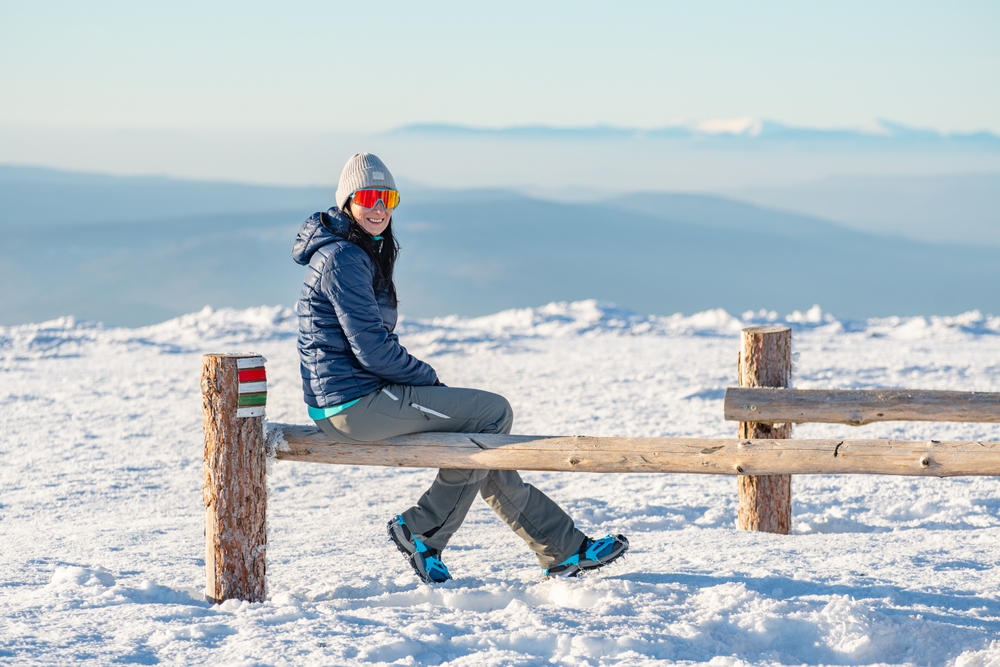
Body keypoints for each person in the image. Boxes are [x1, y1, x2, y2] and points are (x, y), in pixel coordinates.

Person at [292, 153, 628, 583]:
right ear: (347, 203)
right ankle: (422, 530)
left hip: (353, 399)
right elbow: (373, 351)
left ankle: (563, 548)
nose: (379, 207)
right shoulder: (343, 258)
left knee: (481, 435)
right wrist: (429, 381)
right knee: (491, 413)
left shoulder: (354, 251)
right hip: (353, 405)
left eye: (388, 197)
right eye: (368, 197)